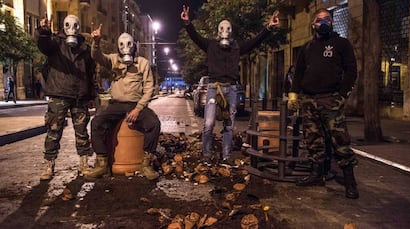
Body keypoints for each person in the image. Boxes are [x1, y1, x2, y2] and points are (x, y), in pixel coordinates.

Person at [180, 5, 279, 165]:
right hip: (213, 88)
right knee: (209, 123)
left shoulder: (236, 47)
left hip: (231, 89)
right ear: (218, 31)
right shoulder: (211, 45)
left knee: (228, 125)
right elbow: (196, 38)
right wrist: (187, 23)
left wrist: (268, 27)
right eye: (222, 28)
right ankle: (206, 155)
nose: (225, 31)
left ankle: (226, 157)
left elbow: (254, 42)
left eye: (228, 28)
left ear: (231, 31)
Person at [288, 8, 359, 199]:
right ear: (313, 25)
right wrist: (294, 94)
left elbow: (351, 71)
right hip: (308, 100)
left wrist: (342, 95)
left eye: (327, 19)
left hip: (331, 100)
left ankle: (350, 182)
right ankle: (316, 174)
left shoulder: (341, 44)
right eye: (319, 20)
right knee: (313, 139)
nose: (323, 23)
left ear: (333, 22)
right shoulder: (307, 47)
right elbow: (299, 72)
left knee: (340, 141)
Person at [84, 24, 160, 180]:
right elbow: (97, 57)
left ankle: (145, 164)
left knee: (154, 123)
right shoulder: (113, 60)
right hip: (116, 104)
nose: (126, 48)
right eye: (122, 45)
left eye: (129, 44)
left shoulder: (142, 63)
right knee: (96, 122)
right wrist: (96, 42)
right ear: (118, 47)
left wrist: (138, 109)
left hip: (135, 105)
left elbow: (149, 88)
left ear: (134, 46)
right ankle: (102, 163)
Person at [35, 14, 97, 181]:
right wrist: (44, 32)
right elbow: (44, 45)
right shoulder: (56, 42)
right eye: (69, 25)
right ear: (64, 26)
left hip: (80, 95)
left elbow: (91, 73)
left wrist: (92, 95)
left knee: (82, 131)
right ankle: (49, 165)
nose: (72, 29)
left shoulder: (85, 47)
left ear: (78, 27)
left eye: (75, 25)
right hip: (59, 93)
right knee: (54, 131)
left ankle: (83, 164)